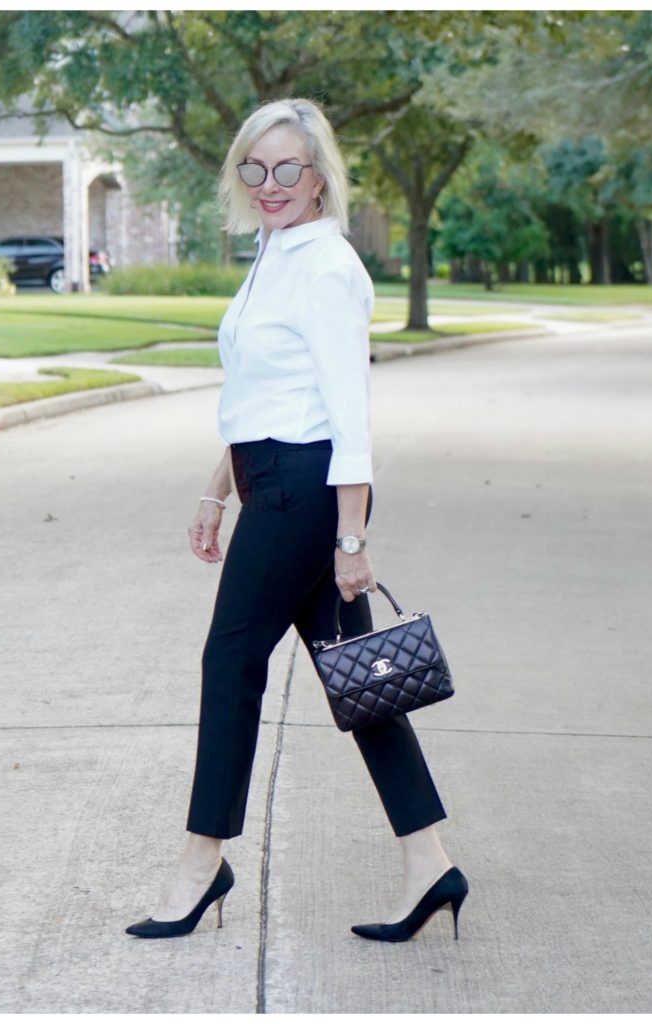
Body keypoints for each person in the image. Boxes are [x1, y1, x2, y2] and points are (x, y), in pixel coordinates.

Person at [125, 98, 467, 943]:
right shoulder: (274, 253)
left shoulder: (326, 266)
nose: (269, 184)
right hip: (271, 479)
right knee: (357, 677)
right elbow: (263, 397)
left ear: (320, 179)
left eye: (288, 169)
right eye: (254, 166)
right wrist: (217, 486)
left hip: (308, 493)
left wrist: (352, 539)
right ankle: (432, 864)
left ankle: (201, 863)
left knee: (231, 658)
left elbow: (346, 413)